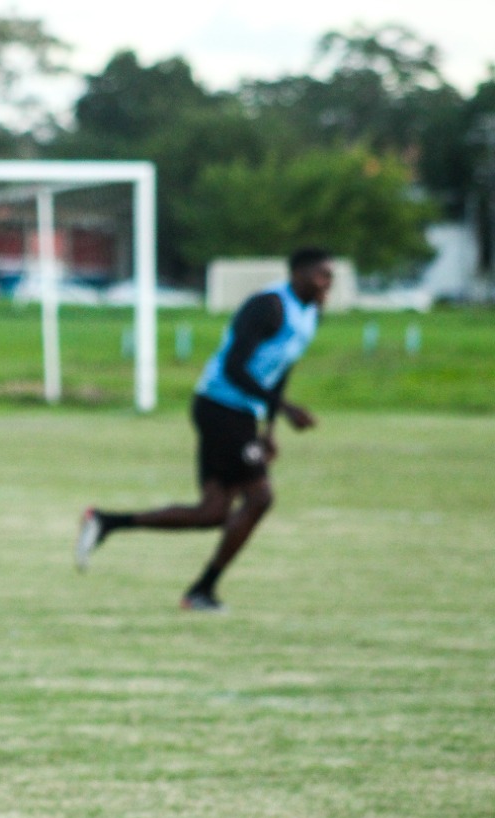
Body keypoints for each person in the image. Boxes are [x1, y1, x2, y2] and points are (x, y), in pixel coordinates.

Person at [75, 247, 334, 612]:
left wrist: (270, 427)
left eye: (331, 277)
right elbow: (234, 368)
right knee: (260, 498)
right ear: (299, 274)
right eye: (322, 276)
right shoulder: (268, 307)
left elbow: (280, 370)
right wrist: (286, 409)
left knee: (212, 512)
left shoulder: (312, 314)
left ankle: (106, 522)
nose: (328, 284)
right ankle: (202, 590)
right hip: (219, 407)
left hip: (242, 413)